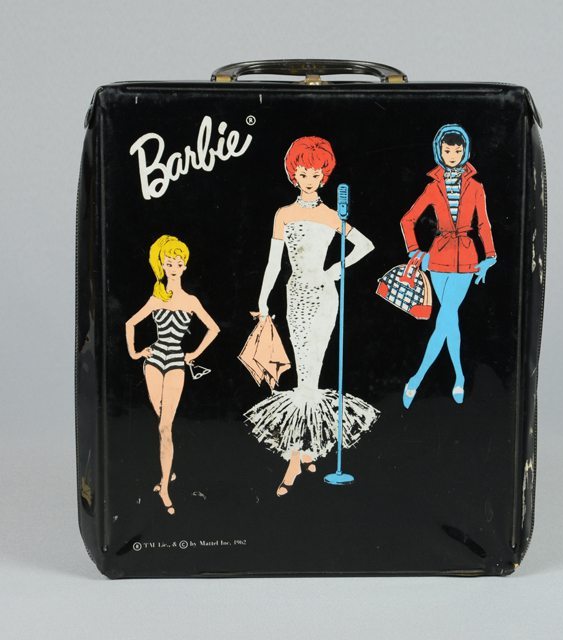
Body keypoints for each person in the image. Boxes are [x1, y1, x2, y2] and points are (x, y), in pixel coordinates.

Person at [245, 136, 380, 496]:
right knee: (304, 370)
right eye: (303, 173)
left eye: (316, 174)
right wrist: (262, 300)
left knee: (311, 372)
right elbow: (274, 263)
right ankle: (305, 452)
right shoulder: (284, 214)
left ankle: (297, 456)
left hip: (324, 295)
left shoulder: (331, 215)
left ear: (324, 176)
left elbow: (365, 245)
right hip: (296, 295)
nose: (309, 180)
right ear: (294, 174)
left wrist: (337, 268)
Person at [400, 124, 497, 407]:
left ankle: (416, 379)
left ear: (465, 151)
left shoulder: (476, 187)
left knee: (446, 316)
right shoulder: (434, 187)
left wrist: (490, 256)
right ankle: (459, 377)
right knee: (449, 319)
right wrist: (415, 252)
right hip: (438, 258)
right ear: (439, 152)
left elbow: (484, 224)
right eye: (447, 150)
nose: (452, 155)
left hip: (467, 259)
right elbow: (407, 220)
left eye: (457, 150)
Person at [125, 235, 220, 514]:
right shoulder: (157, 297)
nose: (175, 267)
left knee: (165, 426)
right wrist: (135, 353)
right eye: (169, 263)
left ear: (185, 266)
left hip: (177, 362)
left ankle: (165, 485)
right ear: (162, 266)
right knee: (161, 421)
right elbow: (130, 323)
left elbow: (214, 328)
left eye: (179, 263)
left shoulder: (191, 300)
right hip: (154, 360)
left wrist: (194, 354)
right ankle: (168, 472)